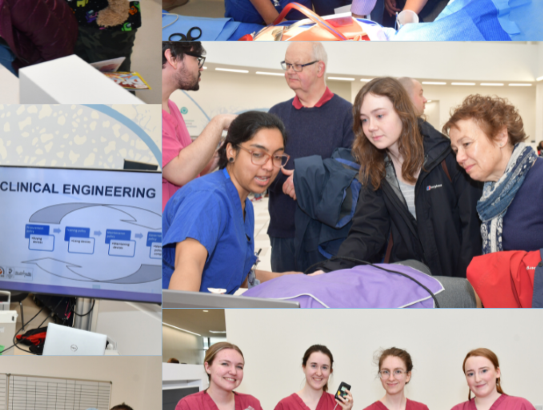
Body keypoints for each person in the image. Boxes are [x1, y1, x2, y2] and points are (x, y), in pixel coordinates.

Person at [313, 77, 482, 278]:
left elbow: (472, 230)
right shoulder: (375, 168)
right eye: (364, 119)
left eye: (380, 116)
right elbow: (367, 232)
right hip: (412, 281)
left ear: (403, 113)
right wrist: (329, 270)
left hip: (458, 281)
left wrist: (468, 286)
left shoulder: (448, 156)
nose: (371, 127)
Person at [164, 111, 297, 292]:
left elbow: (234, 276)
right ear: (231, 151)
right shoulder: (208, 198)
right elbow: (189, 268)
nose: (269, 166)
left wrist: (292, 279)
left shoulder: (244, 205)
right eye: (258, 154)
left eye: (277, 156)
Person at [267, 43, 355, 273]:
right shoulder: (276, 114)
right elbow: (266, 164)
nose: (290, 71)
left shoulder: (348, 114)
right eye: (287, 65)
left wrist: (305, 179)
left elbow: (351, 169)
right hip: (283, 231)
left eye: (297, 65)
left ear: (320, 68)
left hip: (327, 235)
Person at [444, 95, 543, 253]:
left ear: (501, 137)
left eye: (466, 144)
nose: (459, 158)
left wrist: (515, 267)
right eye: (455, 150)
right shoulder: (488, 192)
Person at [161, 40, 236, 211]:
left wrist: (223, 151)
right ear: (172, 57)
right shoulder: (146, 110)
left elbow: (194, 169)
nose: (200, 67)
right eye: (197, 59)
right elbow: (180, 172)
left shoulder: (172, 108)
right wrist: (219, 122)